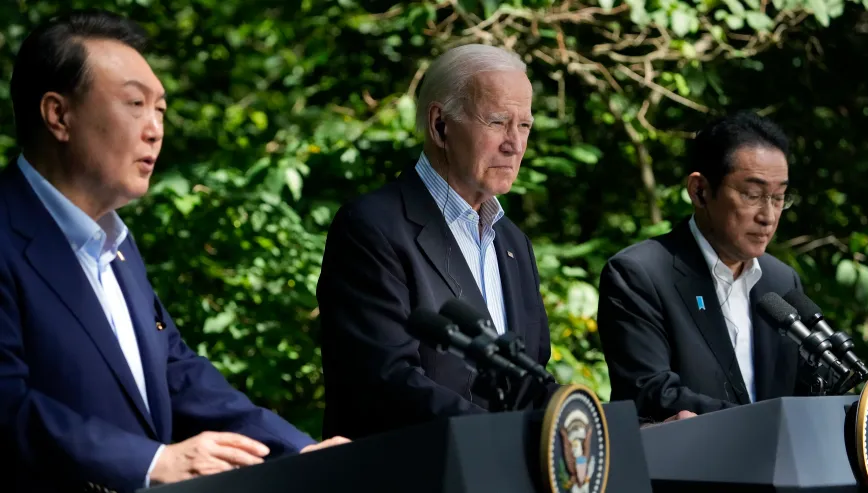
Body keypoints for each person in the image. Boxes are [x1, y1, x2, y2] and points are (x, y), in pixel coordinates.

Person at [0, 10, 347, 493]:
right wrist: (152, 462)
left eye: (160, 109)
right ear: (59, 115)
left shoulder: (117, 246)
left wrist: (299, 452)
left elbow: (176, 371)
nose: (155, 129)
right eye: (135, 104)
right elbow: (8, 405)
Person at [317, 44, 553, 440]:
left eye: (524, 125)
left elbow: (532, 378)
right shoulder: (371, 227)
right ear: (440, 125)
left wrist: (602, 424)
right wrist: (507, 436)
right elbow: (384, 382)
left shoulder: (513, 242)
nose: (515, 144)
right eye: (498, 122)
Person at [597, 111, 807, 424]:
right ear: (700, 191)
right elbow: (653, 392)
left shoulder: (781, 281)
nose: (769, 215)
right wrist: (764, 425)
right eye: (752, 195)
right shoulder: (639, 274)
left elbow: (805, 393)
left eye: (778, 198)